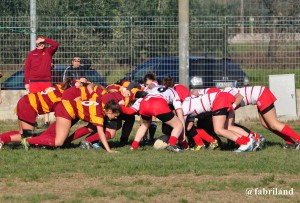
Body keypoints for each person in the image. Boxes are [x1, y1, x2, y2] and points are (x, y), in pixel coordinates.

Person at [229, 86, 300, 149]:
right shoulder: (221, 95)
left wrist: (233, 106)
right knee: (265, 124)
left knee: (273, 124)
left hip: (262, 94)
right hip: (259, 96)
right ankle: (290, 142)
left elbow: (240, 97)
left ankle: (298, 139)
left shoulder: (224, 93)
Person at [24, 34, 59, 129]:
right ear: (36, 42)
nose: (41, 44)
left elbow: (56, 44)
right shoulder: (31, 53)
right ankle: (33, 121)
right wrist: (27, 83)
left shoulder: (48, 51)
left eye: (43, 42)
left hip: (46, 81)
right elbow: (27, 69)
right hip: (34, 81)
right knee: (34, 101)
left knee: (46, 100)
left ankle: (46, 121)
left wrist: (45, 39)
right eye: (40, 42)